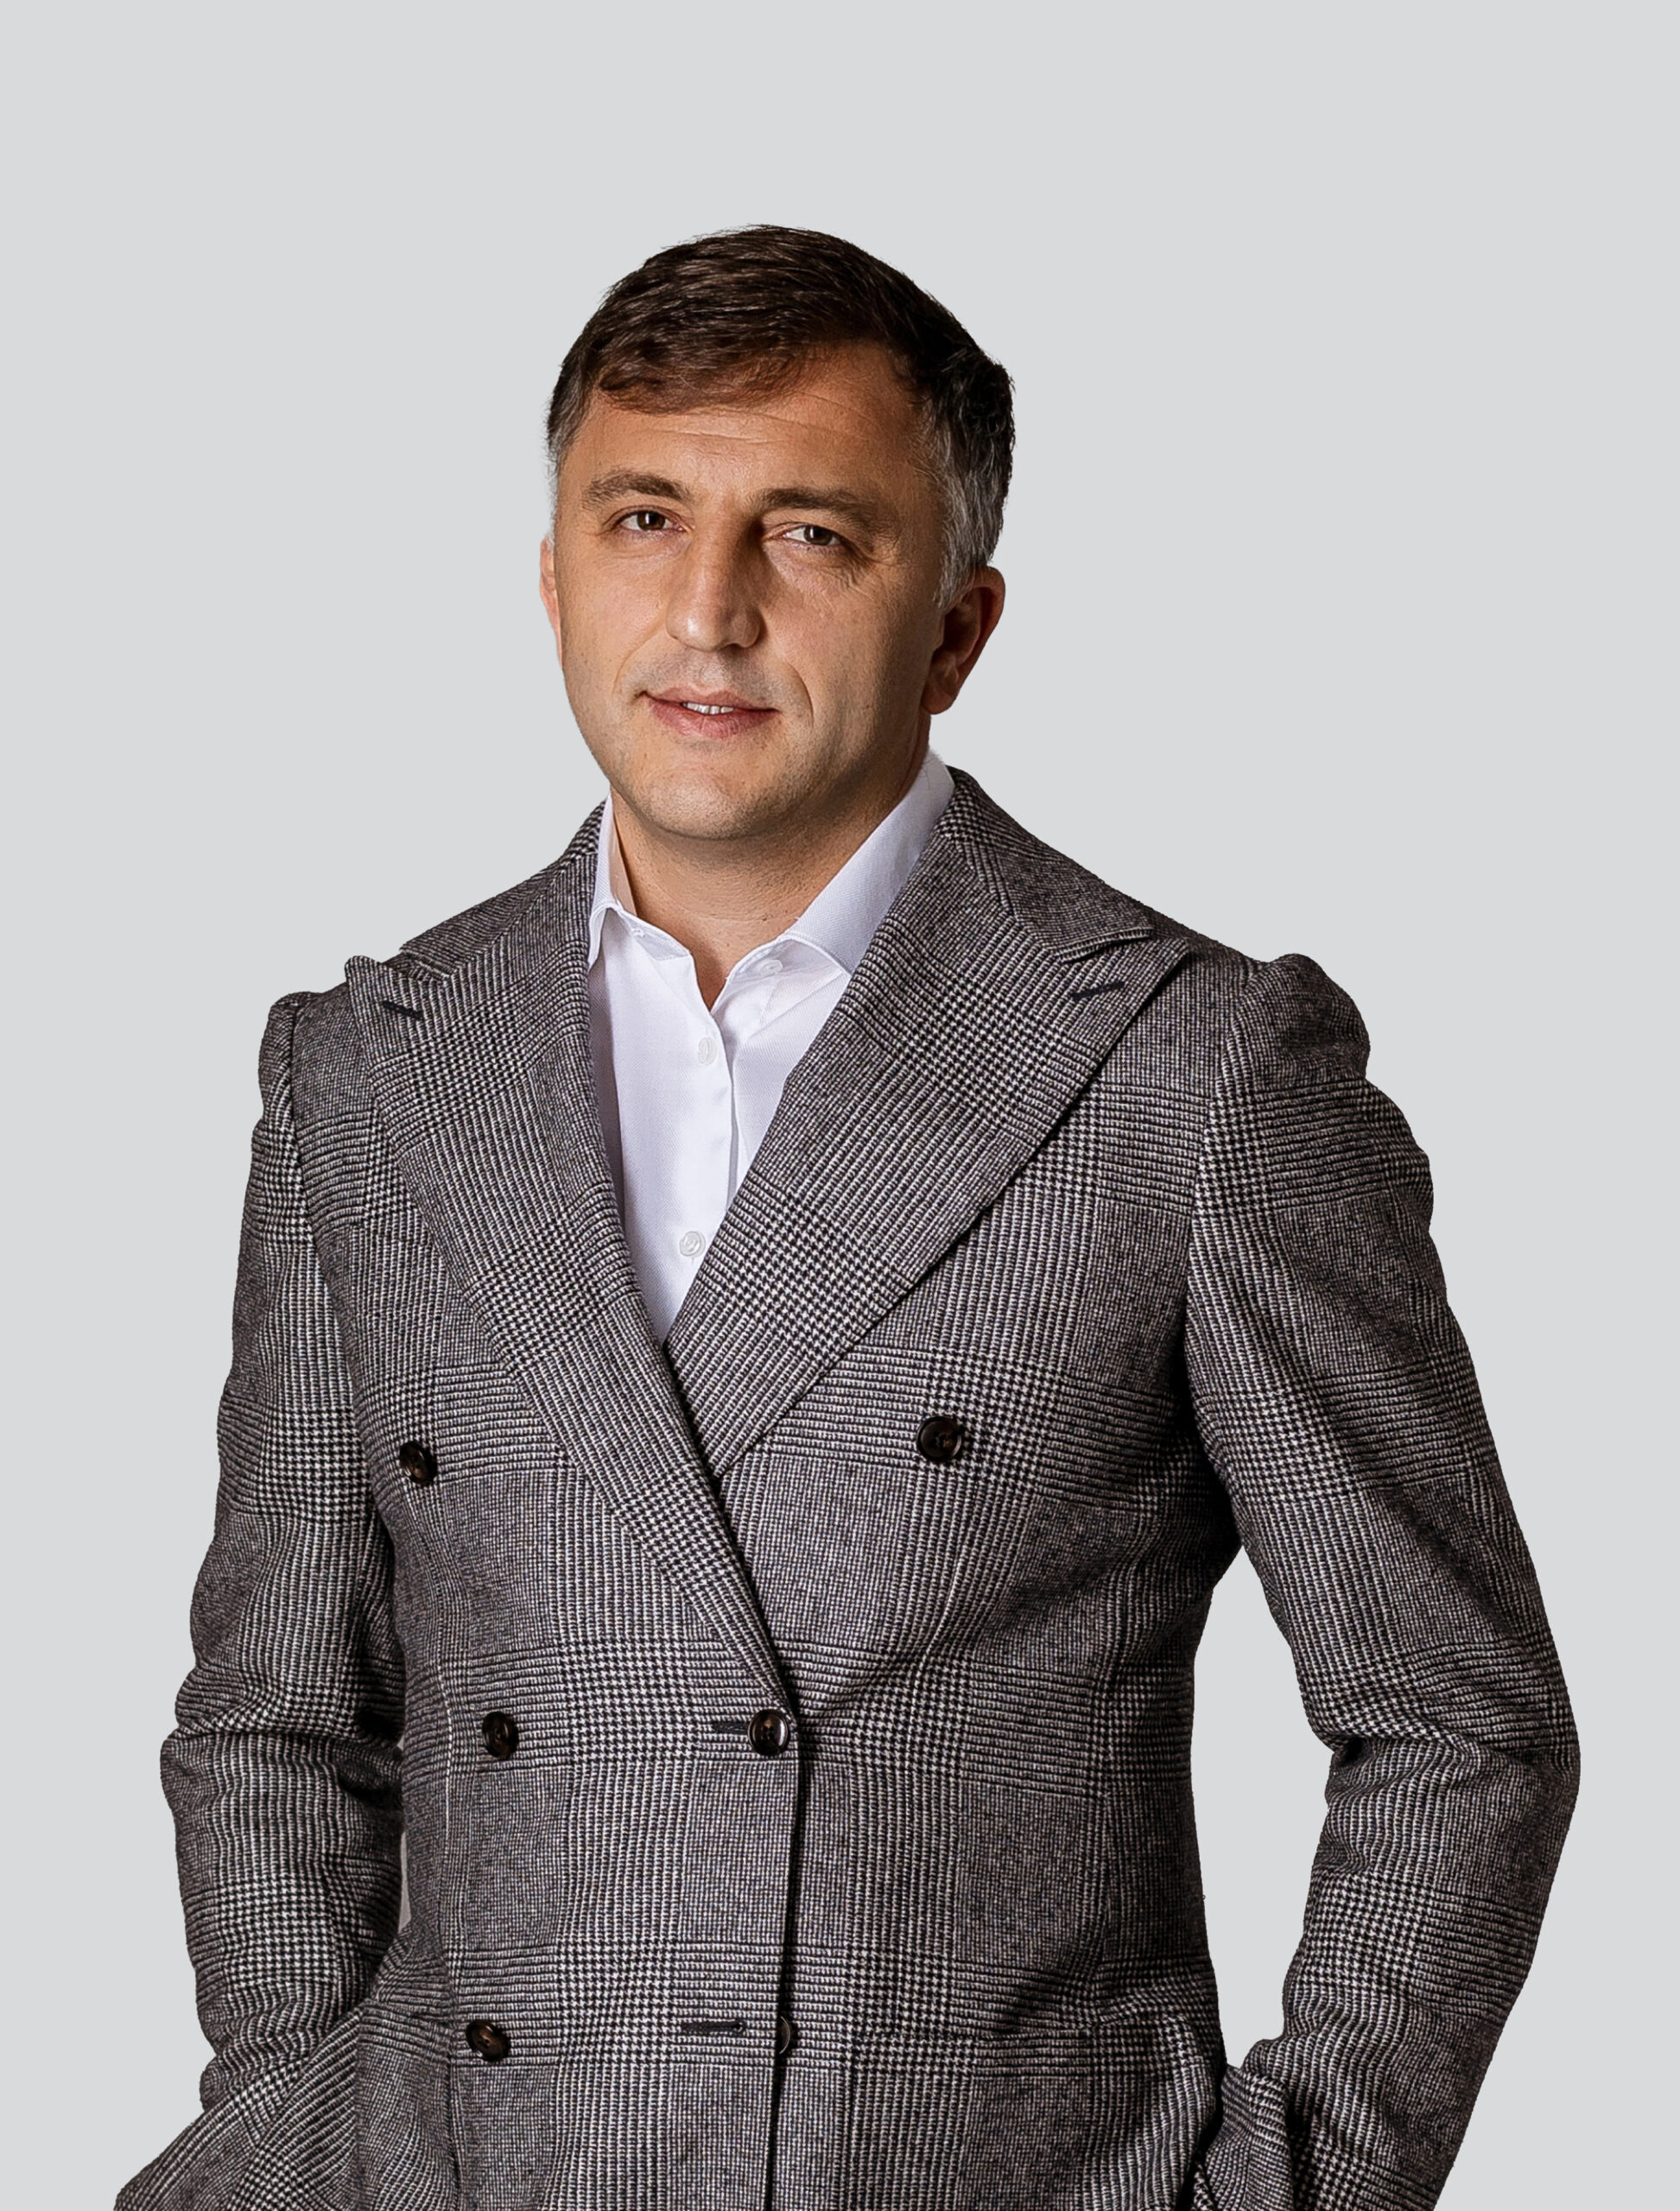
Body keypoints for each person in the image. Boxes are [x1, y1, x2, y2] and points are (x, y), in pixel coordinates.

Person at [119, 225, 1577, 2211]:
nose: (706, 610)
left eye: (809, 535)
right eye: (643, 517)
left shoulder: (1193, 1069)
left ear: (957, 627)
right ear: (552, 578)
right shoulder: (368, 1070)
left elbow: (1454, 1719)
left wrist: (1286, 2190)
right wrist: (297, 2130)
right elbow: (278, 1710)